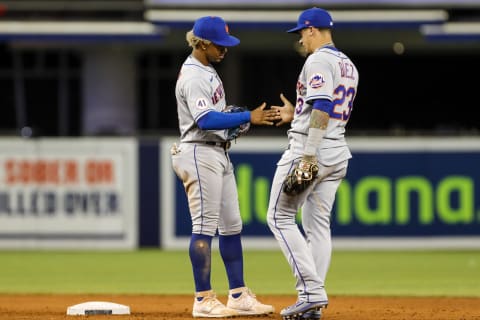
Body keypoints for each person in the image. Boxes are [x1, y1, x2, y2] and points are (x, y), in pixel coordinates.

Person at [171, 16, 278, 318]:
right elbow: (206, 121)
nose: (225, 49)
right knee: (204, 227)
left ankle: (238, 294)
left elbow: (218, 121)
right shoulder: (193, 76)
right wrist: (246, 117)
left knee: (231, 225)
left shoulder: (208, 71)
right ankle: (203, 299)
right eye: (220, 44)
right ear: (202, 42)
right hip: (197, 152)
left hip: (217, 152)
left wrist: (236, 125)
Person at [267, 7, 359, 320]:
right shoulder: (347, 64)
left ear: (311, 30)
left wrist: (308, 155)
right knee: (317, 226)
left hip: (313, 150)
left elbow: (322, 105)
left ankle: (311, 292)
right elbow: (320, 107)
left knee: (279, 216)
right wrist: (298, 114)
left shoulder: (318, 59)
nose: (301, 40)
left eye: (301, 33)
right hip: (337, 152)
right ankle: (313, 304)